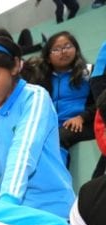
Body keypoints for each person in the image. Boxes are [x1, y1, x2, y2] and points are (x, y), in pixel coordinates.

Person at [0, 28, 75, 219]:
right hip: (14, 213)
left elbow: (22, 154)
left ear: (14, 65)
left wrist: (6, 205)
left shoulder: (34, 98)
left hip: (54, 213)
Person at [37, 31, 95, 161]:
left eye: (68, 46)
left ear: (76, 49)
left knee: (57, 139)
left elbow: (101, 101)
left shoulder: (90, 72)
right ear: (48, 57)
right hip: (53, 127)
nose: (63, 52)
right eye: (56, 49)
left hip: (82, 123)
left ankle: (57, 180)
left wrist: (82, 117)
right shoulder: (42, 79)